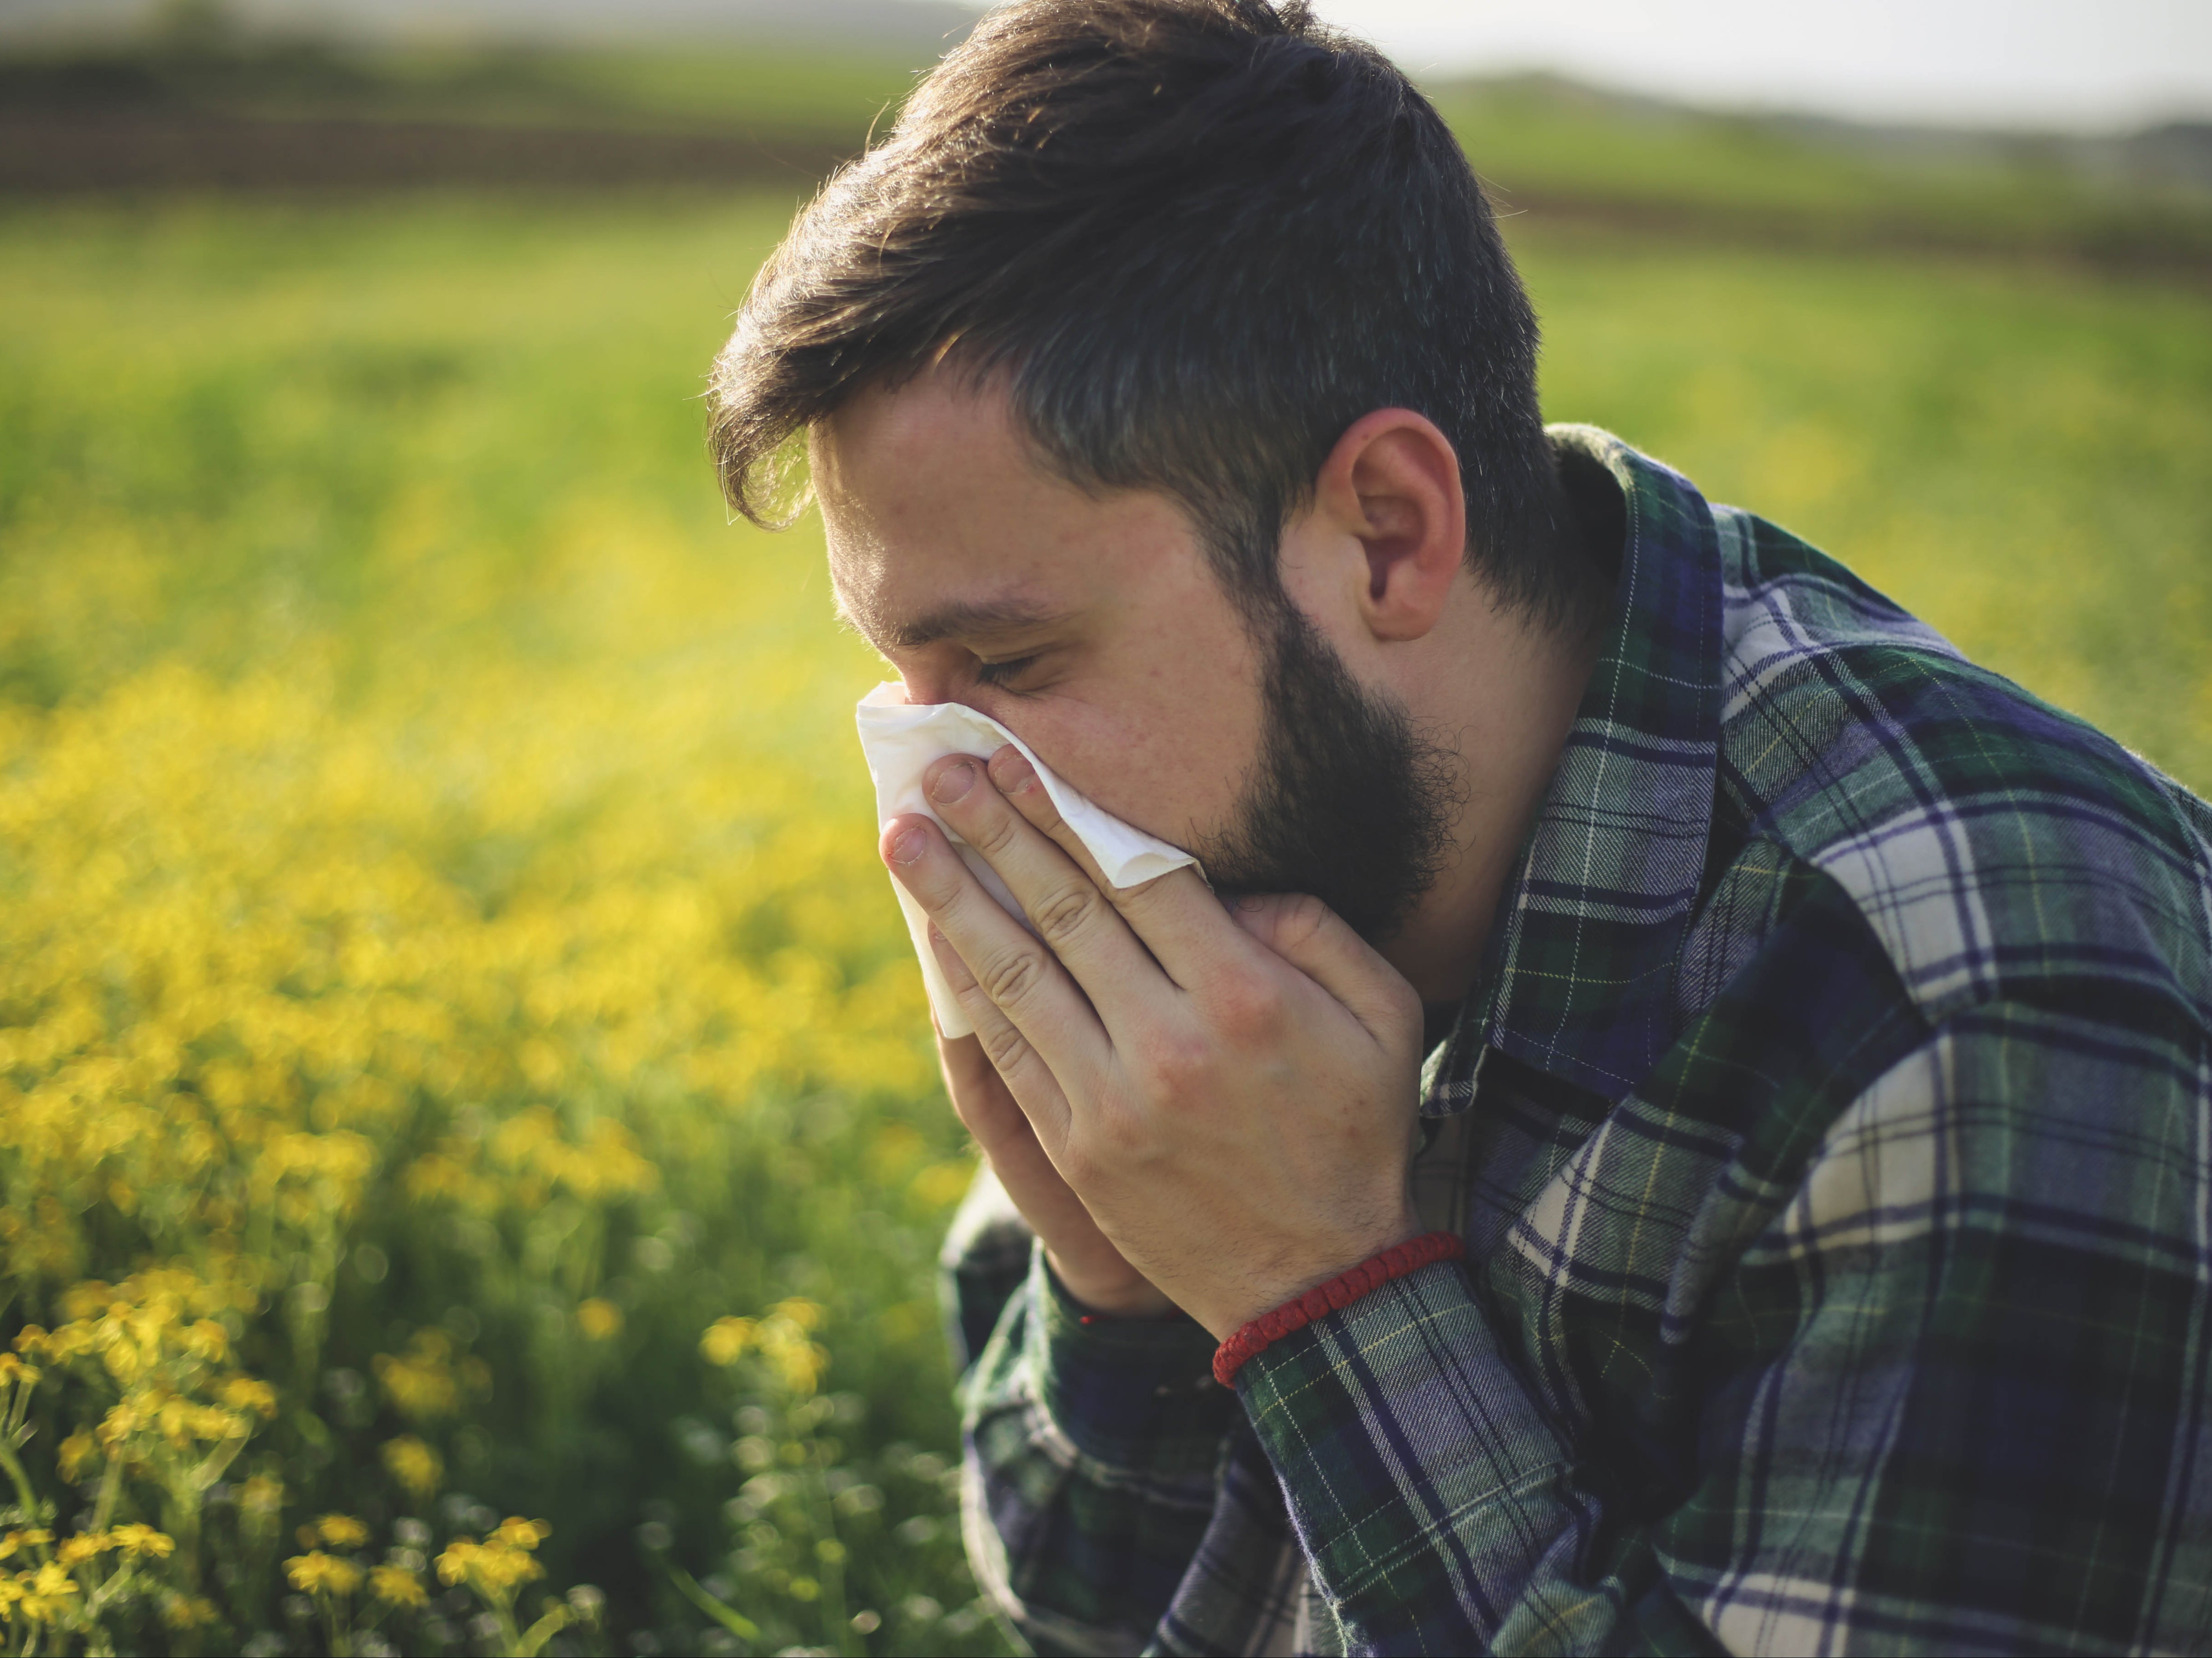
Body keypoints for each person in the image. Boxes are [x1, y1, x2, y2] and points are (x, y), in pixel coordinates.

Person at [706, 1, 2212, 1651]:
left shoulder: (1973, 999)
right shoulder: (1229, 882)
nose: (936, 794)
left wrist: (1310, 1293)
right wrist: (1127, 1292)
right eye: (898, 678)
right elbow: (1085, 1604)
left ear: (1388, 535)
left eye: (1004, 662)